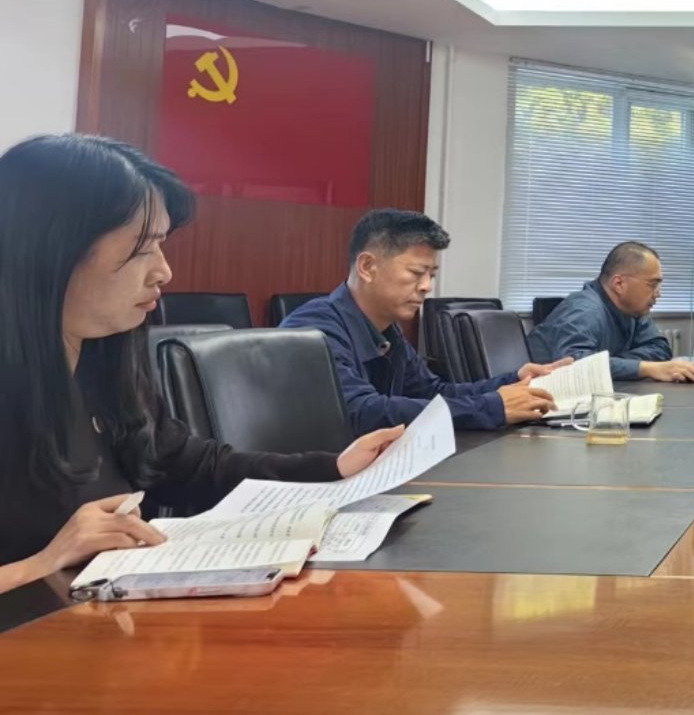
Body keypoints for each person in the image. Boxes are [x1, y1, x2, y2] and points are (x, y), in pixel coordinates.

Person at [0, 134, 403, 596]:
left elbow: (190, 466)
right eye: (143, 247)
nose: (164, 271)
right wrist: (42, 564)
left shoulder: (101, 362)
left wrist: (335, 468)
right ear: (53, 249)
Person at [283, 209, 567, 435]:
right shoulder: (313, 330)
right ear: (367, 267)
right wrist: (491, 407)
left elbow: (434, 392)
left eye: (431, 275)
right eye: (417, 273)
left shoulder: (387, 330)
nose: (426, 287)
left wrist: (515, 381)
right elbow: (362, 412)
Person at [527, 242, 694, 383]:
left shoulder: (632, 310)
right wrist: (646, 368)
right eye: (652, 284)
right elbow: (574, 365)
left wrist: (613, 363)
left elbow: (660, 350)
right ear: (619, 284)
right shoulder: (584, 310)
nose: (658, 293)